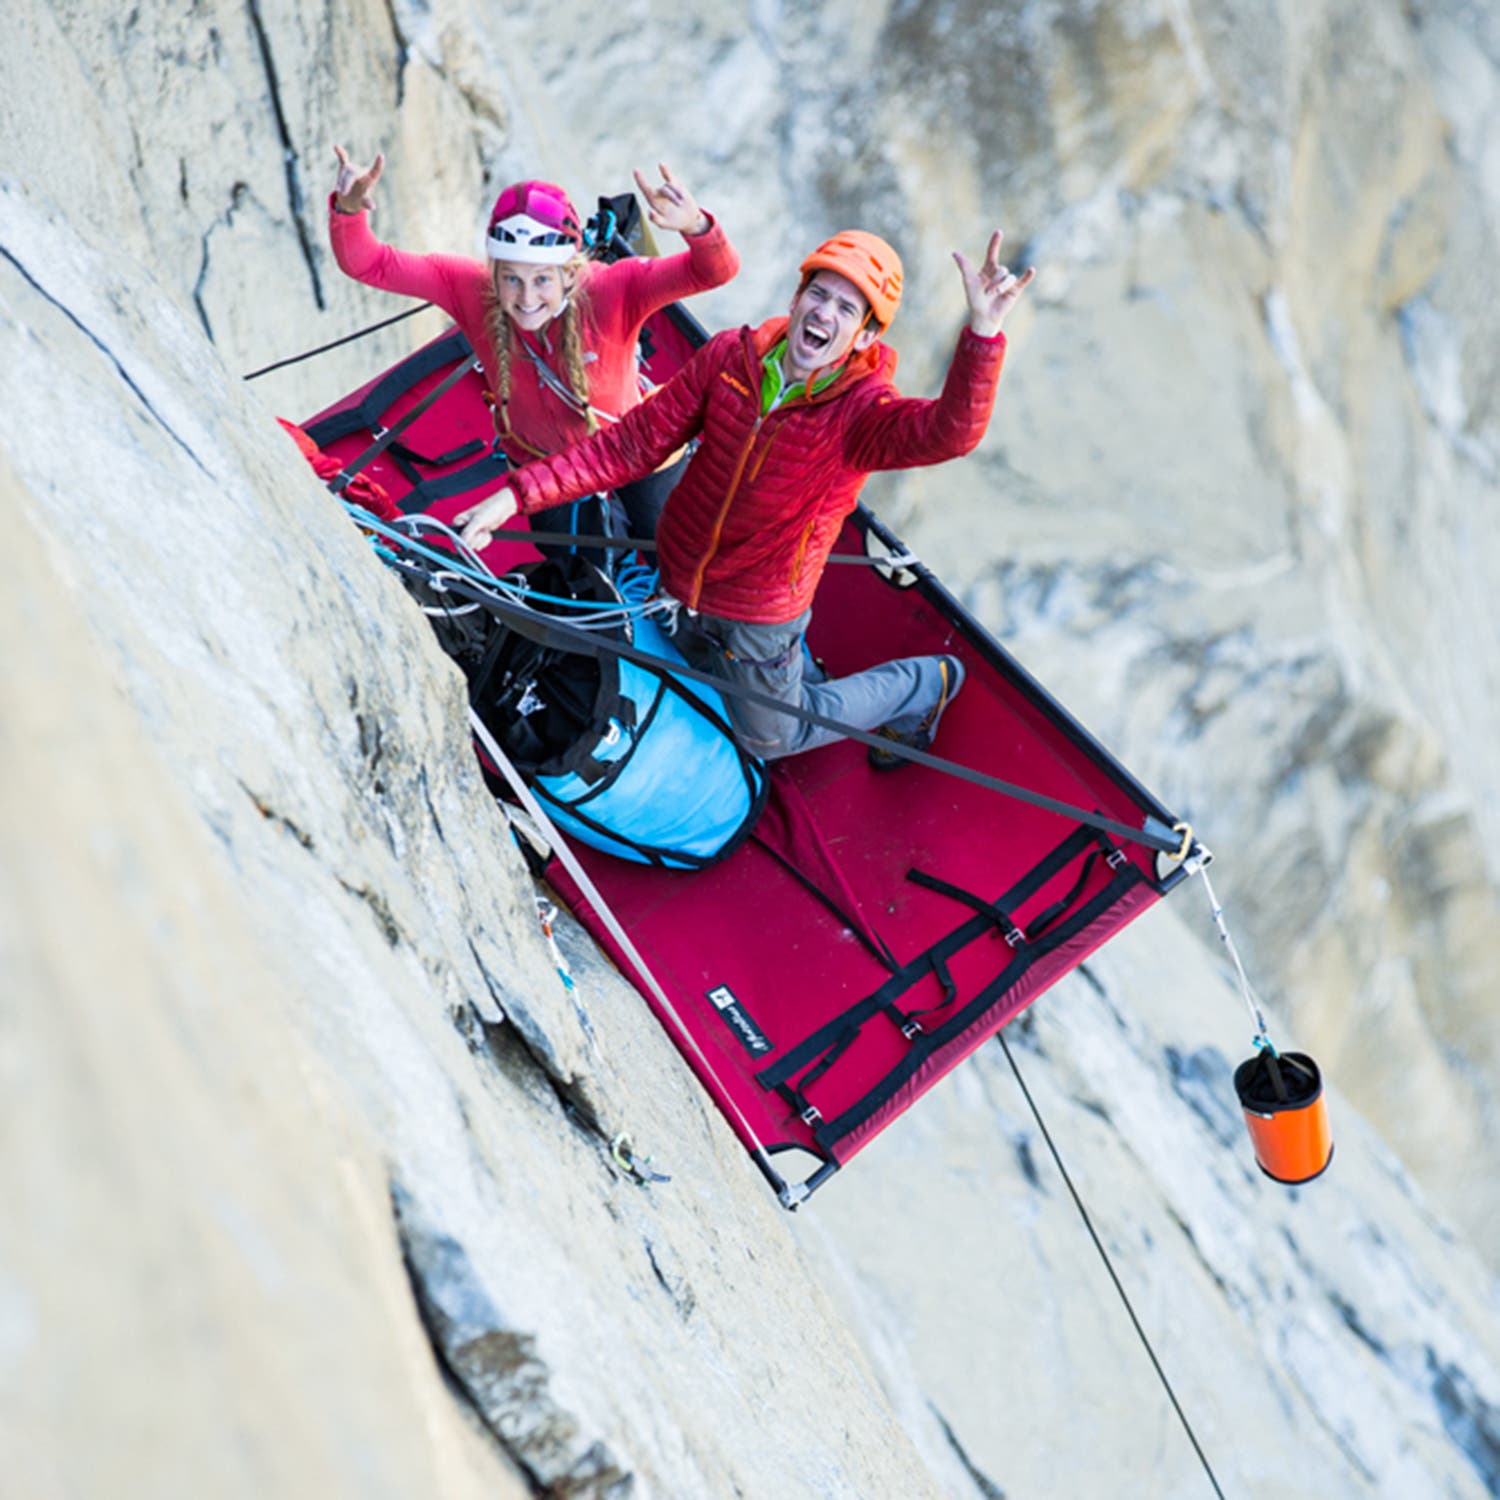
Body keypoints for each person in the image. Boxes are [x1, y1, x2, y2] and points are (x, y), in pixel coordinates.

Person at [455, 226, 1035, 767]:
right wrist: (515, 497)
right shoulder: (732, 358)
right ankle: (793, 672)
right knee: (694, 654)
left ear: (865, 337)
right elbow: (630, 445)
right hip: (682, 575)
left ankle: (925, 686)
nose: (824, 313)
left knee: (770, 737)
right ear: (797, 297)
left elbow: (949, 433)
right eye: (818, 294)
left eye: (846, 309)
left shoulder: (861, 416)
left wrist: (983, 335)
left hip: (760, 609)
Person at [327, 146, 739, 548]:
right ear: (495, 272)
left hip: (634, 453)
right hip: (540, 467)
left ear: (569, 274)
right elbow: (370, 263)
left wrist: (696, 226)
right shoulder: (469, 288)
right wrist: (349, 210)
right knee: (578, 572)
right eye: (511, 279)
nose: (526, 299)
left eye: (542, 279)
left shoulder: (614, 289)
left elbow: (714, 272)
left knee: (674, 550)